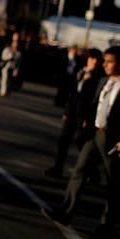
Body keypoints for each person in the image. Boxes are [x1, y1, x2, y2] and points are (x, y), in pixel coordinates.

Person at [42, 45, 120, 237]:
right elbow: (95, 104)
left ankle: (107, 225)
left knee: (113, 183)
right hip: (95, 135)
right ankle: (66, 212)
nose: (104, 64)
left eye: (109, 61)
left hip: (114, 141)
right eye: (104, 60)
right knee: (79, 171)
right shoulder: (103, 81)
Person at [45, 48, 104, 178]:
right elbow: (73, 93)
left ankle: (93, 171)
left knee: (81, 143)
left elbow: (95, 100)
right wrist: (67, 111)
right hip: (72, 111)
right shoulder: (80, 71)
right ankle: (57, 167)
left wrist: (88, 118)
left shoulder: (98, 78)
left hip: (84, 115)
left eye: (96, 59)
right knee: (63, 140)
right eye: (92, 58)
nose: (93, 61)